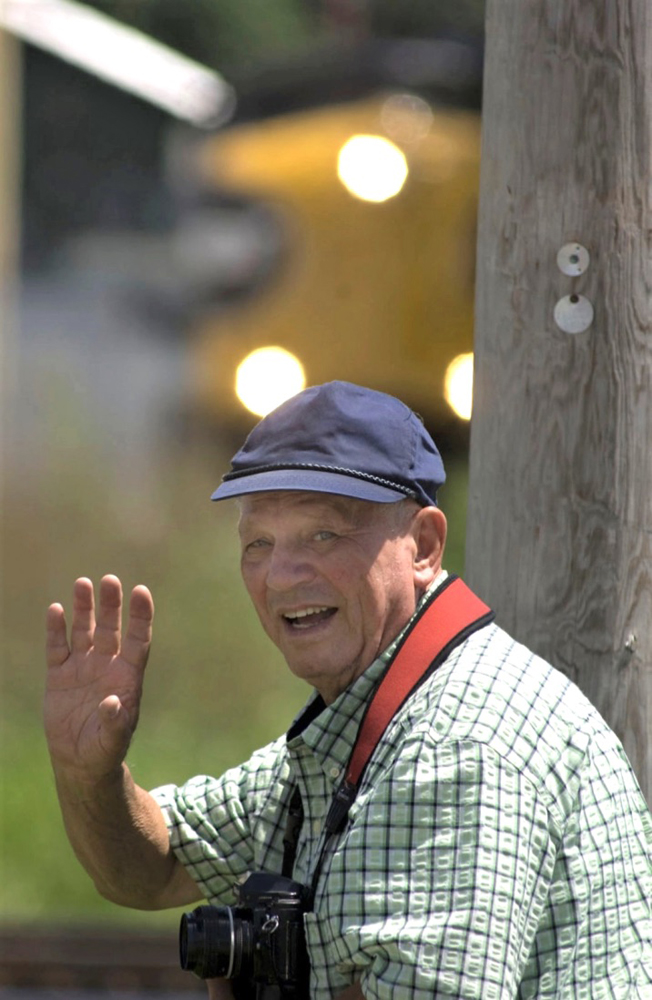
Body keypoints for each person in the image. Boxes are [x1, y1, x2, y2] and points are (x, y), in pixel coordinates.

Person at [45, 381, 652, 999]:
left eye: (323, 535)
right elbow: (153, 868)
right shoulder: (366, 719)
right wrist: (89, 771)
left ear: (424, 546)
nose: (281, 575)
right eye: (259, 544)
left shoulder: (455, 750)